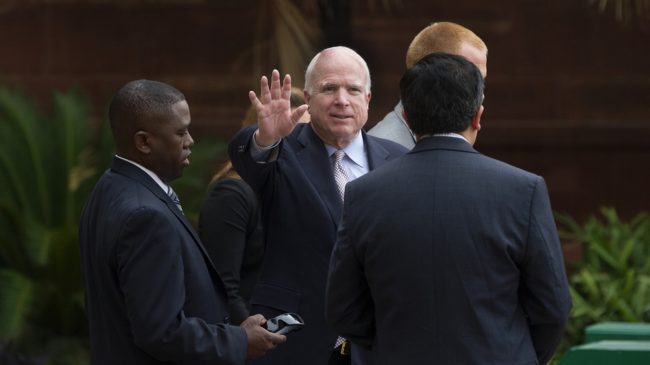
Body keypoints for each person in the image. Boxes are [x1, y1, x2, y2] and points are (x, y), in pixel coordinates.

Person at [326, 53, 572, 364]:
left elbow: (343, 309)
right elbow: (553, 307)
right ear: (478, 116)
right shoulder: (523, 190)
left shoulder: (364, 193)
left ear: (410, 119)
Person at [78, 79, 286, 365]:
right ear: (144, 141)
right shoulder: (146, 217)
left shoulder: (109, 187)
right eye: (181, 132)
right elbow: (161, 331)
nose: (190, 141)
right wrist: (239, 340)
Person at [229, 46, 408, 365]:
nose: (342, 99)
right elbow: (250, 158)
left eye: (353, 89)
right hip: (297, 341)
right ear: (308, 97)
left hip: (378, 343)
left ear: (367, 98)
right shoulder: (282, 152)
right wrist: (266, 138)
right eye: (329, 88)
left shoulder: (398, 160)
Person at [198, 87, 309, 325]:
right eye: (285, 130)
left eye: (305, 134)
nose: (300, 142)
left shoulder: (303, 190)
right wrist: (256, 334)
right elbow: (222, 286)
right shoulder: (232, 193)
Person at [368, 21, 488, 149]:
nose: (481, 94)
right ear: (430, 70)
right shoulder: (380, 152)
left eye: (481, 80)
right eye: (468, 78)